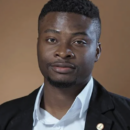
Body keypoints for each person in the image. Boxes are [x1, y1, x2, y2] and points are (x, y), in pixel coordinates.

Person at [0, 0, 130, 130]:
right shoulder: (4, 117)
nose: (63, 53)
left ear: (97, 52)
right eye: (52, 40)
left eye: (79, 42)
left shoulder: (126, 116)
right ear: (38, 46)